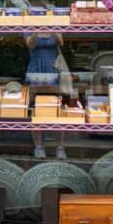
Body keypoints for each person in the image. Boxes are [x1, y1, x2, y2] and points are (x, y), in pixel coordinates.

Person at [25, 32, 66, 160]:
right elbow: (30, 45)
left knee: (56, 110)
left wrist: (53, 29)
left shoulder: (54, 26)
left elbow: (61, 42)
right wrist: (37, 30)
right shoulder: (29, 28)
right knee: (36, 111)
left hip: (53, 71)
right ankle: (38, 147)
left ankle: (60, 148)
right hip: (35, 71)